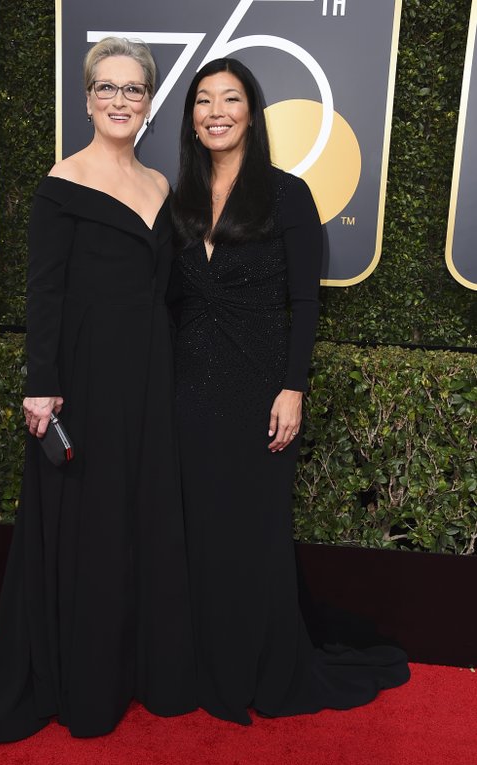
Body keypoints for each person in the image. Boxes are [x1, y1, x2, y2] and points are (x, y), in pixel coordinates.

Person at [0, 37, 197, 741]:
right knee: (92, 523)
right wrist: (42, 385)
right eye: (106, 87)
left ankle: (138, 668)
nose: (120, 100)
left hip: (150, 375)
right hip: (86, 379)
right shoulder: (64, 181)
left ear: (149, 103)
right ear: (87, 100)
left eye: (133, 89)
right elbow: (45, 291)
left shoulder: (160, 185)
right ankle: (84, 680)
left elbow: (170, 289)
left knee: (140, 515)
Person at [169, 58, 409, 724]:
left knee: (252, 533)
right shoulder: (179, 200)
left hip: (258, 391)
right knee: (195, 531)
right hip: (186, 390)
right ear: (191, 118)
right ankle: (201, 660)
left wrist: (292, 387)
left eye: (231, 99)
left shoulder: (287, 194)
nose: (216, 111)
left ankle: (255, 664)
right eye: (203, 100)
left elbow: (304, 302)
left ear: (252, 113)